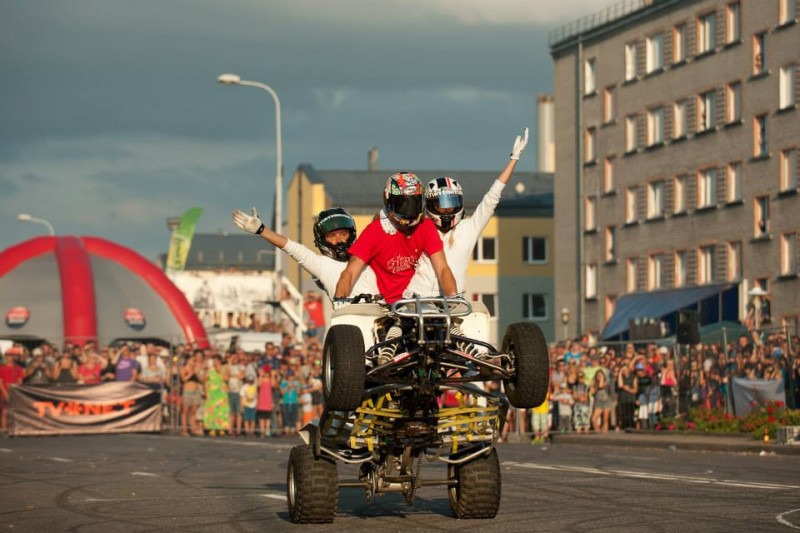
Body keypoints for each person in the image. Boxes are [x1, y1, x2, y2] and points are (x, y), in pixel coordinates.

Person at [333, 172, 458, 364]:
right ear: (390, 203)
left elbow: (442, 269)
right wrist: (341, 301)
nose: (409, 211)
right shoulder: (376, 231)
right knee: (396, 322)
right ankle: (387, 350)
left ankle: (468, 349)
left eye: (413, 203)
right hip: (387, 308)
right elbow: (349, 273)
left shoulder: (425, 227)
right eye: (403, 204)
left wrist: (453, 298)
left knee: (451, 320)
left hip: (422, 304)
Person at [403, 128, 529, 298]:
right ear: (430, 205)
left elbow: (492, 197)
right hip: (415, 298)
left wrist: (514, 159)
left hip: (453, 301)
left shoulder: (469, 228)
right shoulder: (420, 227)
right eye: (441, 205)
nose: (447, 210)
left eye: (452, 203)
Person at [232, 206, 378, 300]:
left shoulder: (369, 256)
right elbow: (293, 249)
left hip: (384, 316)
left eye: (343, 234)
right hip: (350, 323)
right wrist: (262, 230)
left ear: (352, 234)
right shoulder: (321, 265)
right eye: (332, 236)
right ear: (322, 240)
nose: (339, 240)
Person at [203, 355, 231, 436]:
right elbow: (204, 380)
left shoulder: (225, 368)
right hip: (212, 394)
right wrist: (205, 392)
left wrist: (219, 371)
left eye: (216, 360)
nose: (215, 362)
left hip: (221, 394)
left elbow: (226, 378)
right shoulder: (210, 370)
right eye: (214, 361)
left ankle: (221, 428)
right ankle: (212, 428)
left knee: (222, 411)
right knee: (212, 411)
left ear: (220, 361)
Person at [181, 350, 205, 436]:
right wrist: (191, 373)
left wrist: (197, 372)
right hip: (188, 391)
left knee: (193, 411)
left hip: (196, 391)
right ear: (188, 361)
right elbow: (183, 379)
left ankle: (193, 429)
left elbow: (201, 380)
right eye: (192, 360)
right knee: (185, 411)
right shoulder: (184, 368)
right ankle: (184, 430)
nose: (194, 362)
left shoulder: (195, 369)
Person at [0, 350, 25, 430]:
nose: (11, 357)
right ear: (6, 357)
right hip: (4, 393)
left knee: (15, 413)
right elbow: (0, 383)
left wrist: (15, 392)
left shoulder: (18, 368)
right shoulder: (1, 368)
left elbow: (20, 382)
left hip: (15, 393)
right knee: (5, 412)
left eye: (13, 355)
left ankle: (14, 430)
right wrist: (6, 394)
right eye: (9, 355)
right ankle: (4, 431)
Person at [256, 366, 274, 438]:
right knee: (262, 418)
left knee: (268, 418)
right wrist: (260, 375)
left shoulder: (270, 379)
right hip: (262, 401)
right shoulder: (261, 379)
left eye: (267, 372)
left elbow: (273, 385)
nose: (266, 373)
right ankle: (262, 432)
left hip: (268, 401)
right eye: (265, 372)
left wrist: (272, 375)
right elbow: (258, 384)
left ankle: (267, 431)